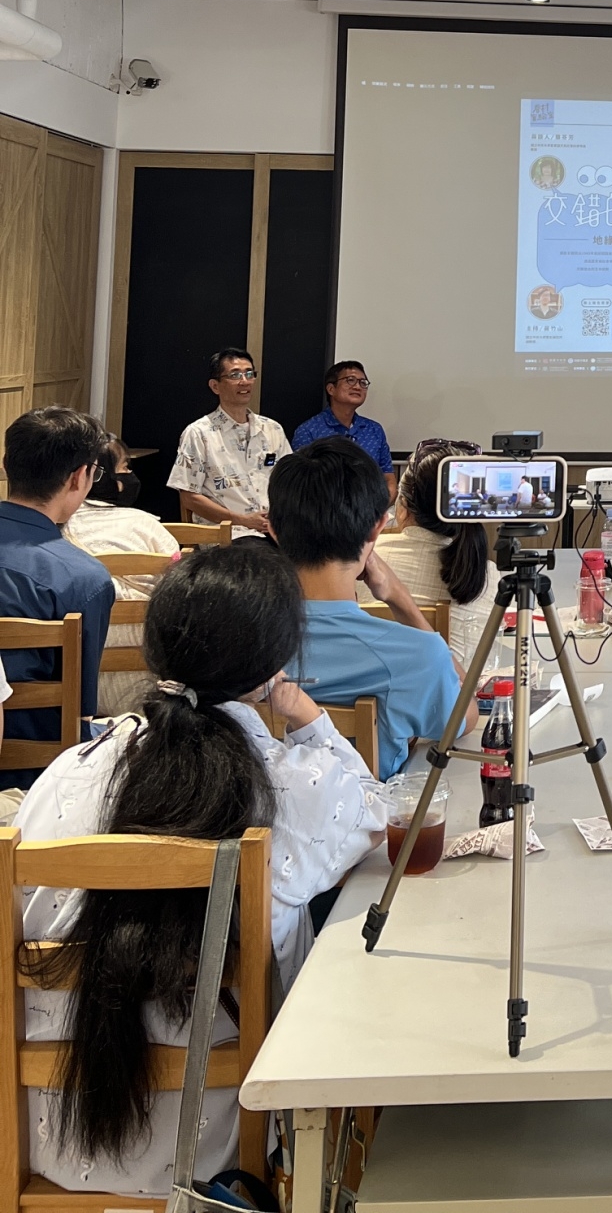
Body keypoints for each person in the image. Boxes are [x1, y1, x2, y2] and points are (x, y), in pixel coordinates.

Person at [18, 538, 384, 1199]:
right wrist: (308, 719)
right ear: (272, 665)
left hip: (54, 1137)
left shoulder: (68, 771)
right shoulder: (293, 789)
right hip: (215, 1158)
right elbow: (373, 811)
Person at [268, 436, 462, 777]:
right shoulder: (416, 654)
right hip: (371, 809)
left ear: (273, 529)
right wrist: (400, 599)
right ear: (377, 528)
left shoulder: (233, 640)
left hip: (256, 810)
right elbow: (464, 717)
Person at [0, 409, 113, 786]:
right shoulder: (85, 578)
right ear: (79, 477)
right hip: (39, 774)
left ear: (7, 465)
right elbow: (81, 712)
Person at [65, 436, 183, 713]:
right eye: (125, 467)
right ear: (100, 476)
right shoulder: (146, 525)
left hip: (75, 682)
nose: (130, 475)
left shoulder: (58, 528)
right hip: (146, 682)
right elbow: (177, 594)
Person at [374, 439, 499, 669]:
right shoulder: (487, 574)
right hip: (456, 690)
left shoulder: (367, 559)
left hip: (373, 688)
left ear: (403, 507)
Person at [168, 347, 290, 535]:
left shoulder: (273, 429)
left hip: (275, 529)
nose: (244, 381)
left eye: (249, 374)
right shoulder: (199, 433)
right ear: (215, 386)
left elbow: (290, 481)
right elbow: (189, 497)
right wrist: (242, 520)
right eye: (235, 375)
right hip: (229, 533)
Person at [292, 361, 396, 499]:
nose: (358, 387)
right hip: (325, 508)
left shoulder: (374, 430)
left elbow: (388, 479)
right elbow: (301, 484)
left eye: (363, 383)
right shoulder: (309, 431)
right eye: (350, 380)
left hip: (373, 508)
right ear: (331, 389)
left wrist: (378, 508)